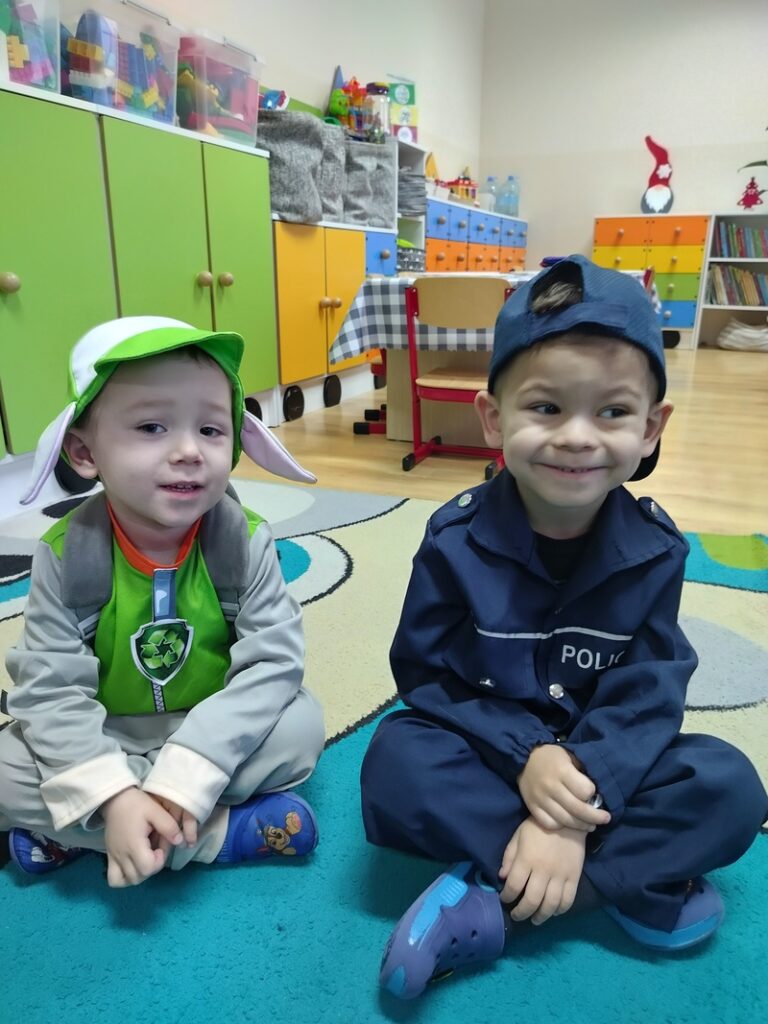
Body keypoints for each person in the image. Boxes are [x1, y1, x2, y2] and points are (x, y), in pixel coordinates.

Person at [360, 256, 768, 999]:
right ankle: (627, 882)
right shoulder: (453, 540)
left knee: (731, 787)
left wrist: (573, 808)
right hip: (490, 754)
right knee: (395, 761)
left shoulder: (658, 551)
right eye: (546, 408)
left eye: (612, 413)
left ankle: (501, 903)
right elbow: (424, 674)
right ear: (494, 418)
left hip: (609, 770)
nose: (578, 437)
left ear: (651, 429)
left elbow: (651, 690)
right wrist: (526, 757)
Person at [0, 316, 326, 888]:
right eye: (152, 427)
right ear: (84, 451)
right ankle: (213, 835)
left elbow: (273, 665)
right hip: (107, 729)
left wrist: (191, 767)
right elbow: (49, 689)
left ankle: (84, 833)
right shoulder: (67, 553)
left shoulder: (243, 540)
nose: (188, 451)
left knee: (301, 727)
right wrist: (114, 793)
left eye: (211, 429)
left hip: (212, 723)